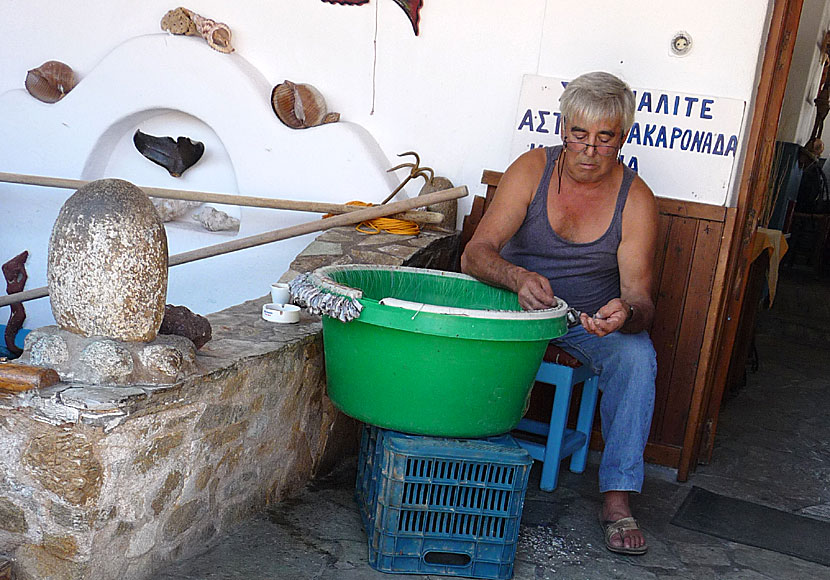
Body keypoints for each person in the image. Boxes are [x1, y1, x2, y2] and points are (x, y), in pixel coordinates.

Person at [461, 71, 658, 555]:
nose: (589, 150)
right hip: (514, 306)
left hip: (582, 320)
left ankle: (616, 498)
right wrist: (516, 278)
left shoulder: (635, 199)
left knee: (636, 356)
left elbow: (643, 302)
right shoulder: (532, 169)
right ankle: (461, 456)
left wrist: (624, 313)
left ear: (623, 138)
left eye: (605, 138)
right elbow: (474, 254)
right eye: (579, 135)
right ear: (562, 128)